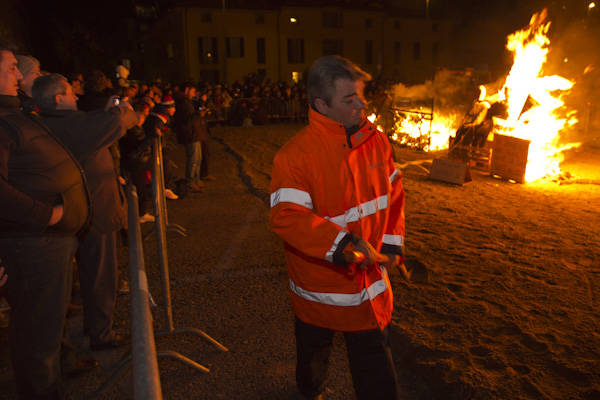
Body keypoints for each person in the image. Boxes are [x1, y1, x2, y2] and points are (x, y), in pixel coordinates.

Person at [269, 55, 408, 400]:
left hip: (369, 284)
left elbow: (394, 194)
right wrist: (343, 244)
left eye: (361, 95)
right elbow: (287, 216)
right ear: (321, 104)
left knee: (375, 368)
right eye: (349, 99)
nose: (361, 104)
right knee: (314, 351)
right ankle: (309, 389)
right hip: (320, 286)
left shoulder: (376, 140)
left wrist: (391, 245)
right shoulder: (295, 156)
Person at [0, 41, 90, 399]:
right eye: (9, 68)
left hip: (42, 246)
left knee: (42, 336)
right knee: (38, 341)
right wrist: (47, 214)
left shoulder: (13, 114)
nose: (19, 75)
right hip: (33, 246)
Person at [32, 73, 139, 351]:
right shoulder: (74, 125)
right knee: (101, 277)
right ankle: (101, 334)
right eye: (70, 92)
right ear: (58, 99)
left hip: (66, 214)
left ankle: (78, 339)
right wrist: (121, 110)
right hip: (94, 213)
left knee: (69, 282)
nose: (76, 96)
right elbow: (124, 120)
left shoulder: (40, 124)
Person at [173, 83, 205, 192]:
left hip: (194, 133)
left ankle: (196, 179)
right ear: (187, 90)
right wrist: (198, 115)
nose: (194, 94)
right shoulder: (183, 103)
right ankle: (190, 181)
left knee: (198, 158)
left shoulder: (186, 102)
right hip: (190, 134)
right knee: (193, 159)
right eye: (192, 91)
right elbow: (187, 120)